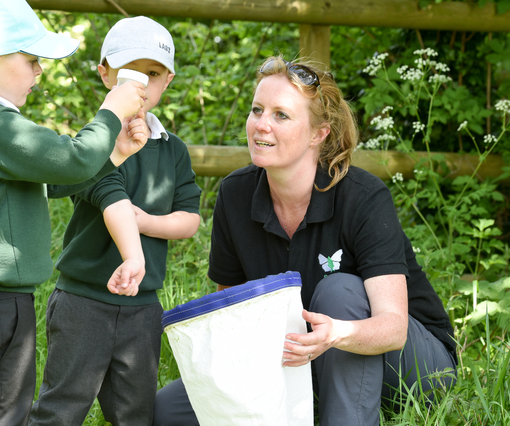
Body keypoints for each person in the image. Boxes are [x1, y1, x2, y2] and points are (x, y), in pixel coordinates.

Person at [152, 56, 457, 426]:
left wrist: (337, 334)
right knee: (165, 411)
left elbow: (393, 329)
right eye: (257, 110)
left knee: (339, 291)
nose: (261, 125)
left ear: (319, 134)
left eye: (281, 115)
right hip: (297, 355)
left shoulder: (363, 197)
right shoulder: (235, 194)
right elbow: (237, 317)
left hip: (411, 367)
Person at [0, 0, 149, 426]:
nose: (39, 71)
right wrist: (111, 110)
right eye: (31, 60)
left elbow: (53, 181)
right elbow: (70, 158)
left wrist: (115, 155)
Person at [29, 16, 202, 426]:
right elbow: (98, 193)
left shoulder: (172, 150)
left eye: (153, 74)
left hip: (143, 305)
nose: (141, 85)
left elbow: (189, 219)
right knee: (63, 405)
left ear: (168, 80)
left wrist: (144, 222)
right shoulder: (91, 143)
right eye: (130, 73)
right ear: (105, 74)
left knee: (134, 411)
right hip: (83, 299)